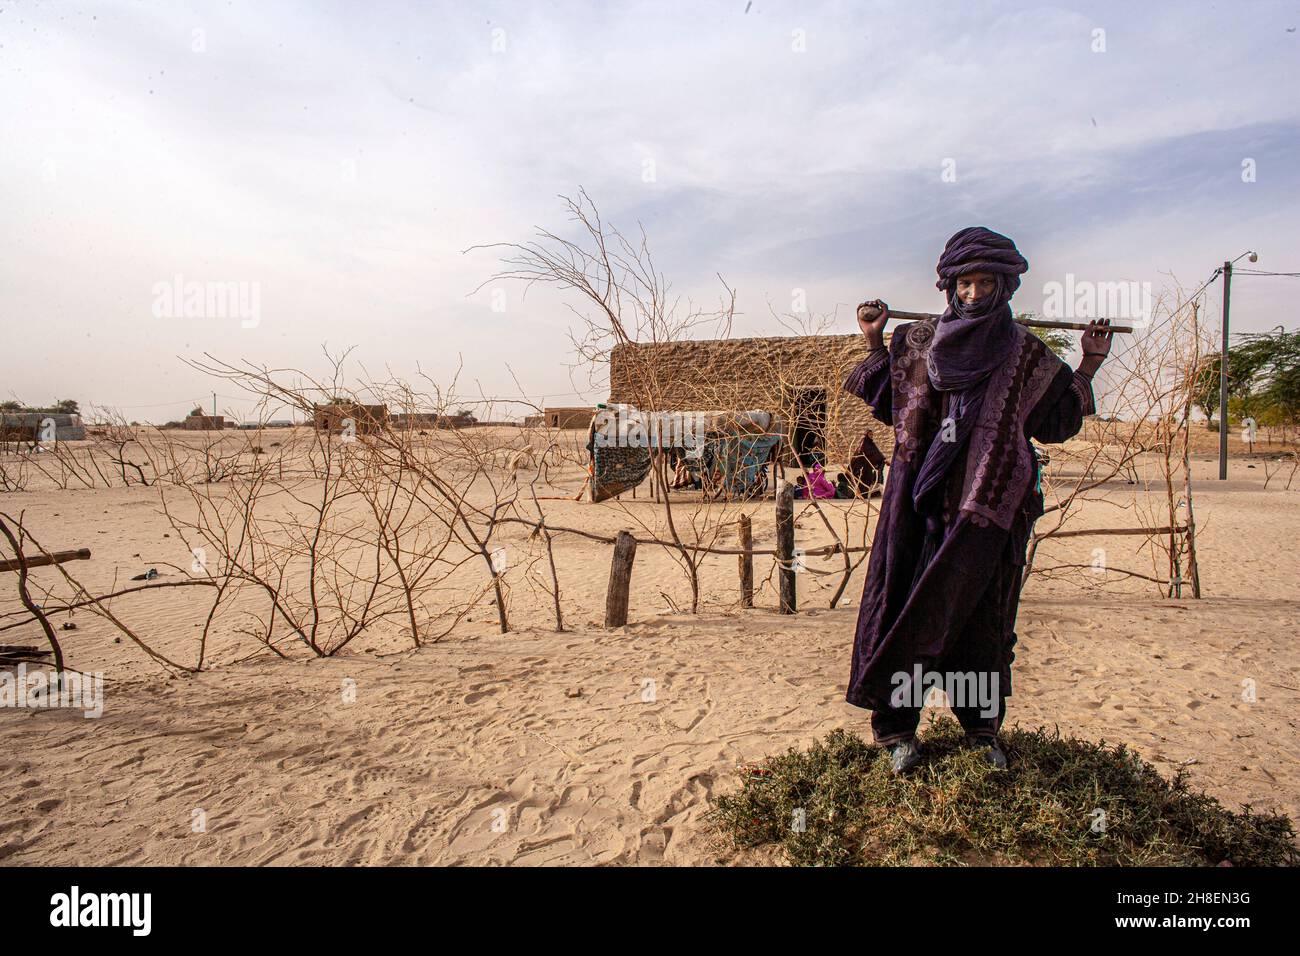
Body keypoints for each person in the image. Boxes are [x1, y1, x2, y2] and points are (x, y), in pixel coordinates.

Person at [843, 226, 1112, 773]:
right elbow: (889, 404)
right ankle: (895, 733)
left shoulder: (1027, 355)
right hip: (916, 504)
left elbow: (1056, 421)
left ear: (1005, 286)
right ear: (949, 285)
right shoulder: (916, 341)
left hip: (989, 508)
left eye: (985, 283)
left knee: (984, 619)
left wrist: (1088, 364)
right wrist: (874, 340)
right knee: (902, 604)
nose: (973, 294)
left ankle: (980, 733)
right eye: (964, 283)